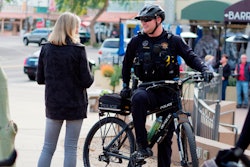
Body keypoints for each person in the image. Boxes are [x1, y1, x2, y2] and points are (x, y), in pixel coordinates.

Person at [120, 4, 213, 167]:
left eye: (147, 20)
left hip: (169, 92)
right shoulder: (137, 41)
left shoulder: (174, 40)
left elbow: (191, 57)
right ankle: (141, 146)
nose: (144, 23)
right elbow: (126, 64)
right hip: (147, 89)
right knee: (138, 98)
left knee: (165, 140)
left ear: (158, 19)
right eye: (142, 20)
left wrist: (204, 68)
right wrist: (125, 85)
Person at [36, 12, 94, 167]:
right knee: (70, 148)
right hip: (75, 105)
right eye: (77, 26)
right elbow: (87, 81)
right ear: (71, 28)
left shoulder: (46, 49)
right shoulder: (78, 50)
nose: (77, 30)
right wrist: (91, 70)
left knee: (47, 148)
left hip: (54, 104)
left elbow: (40, 79)